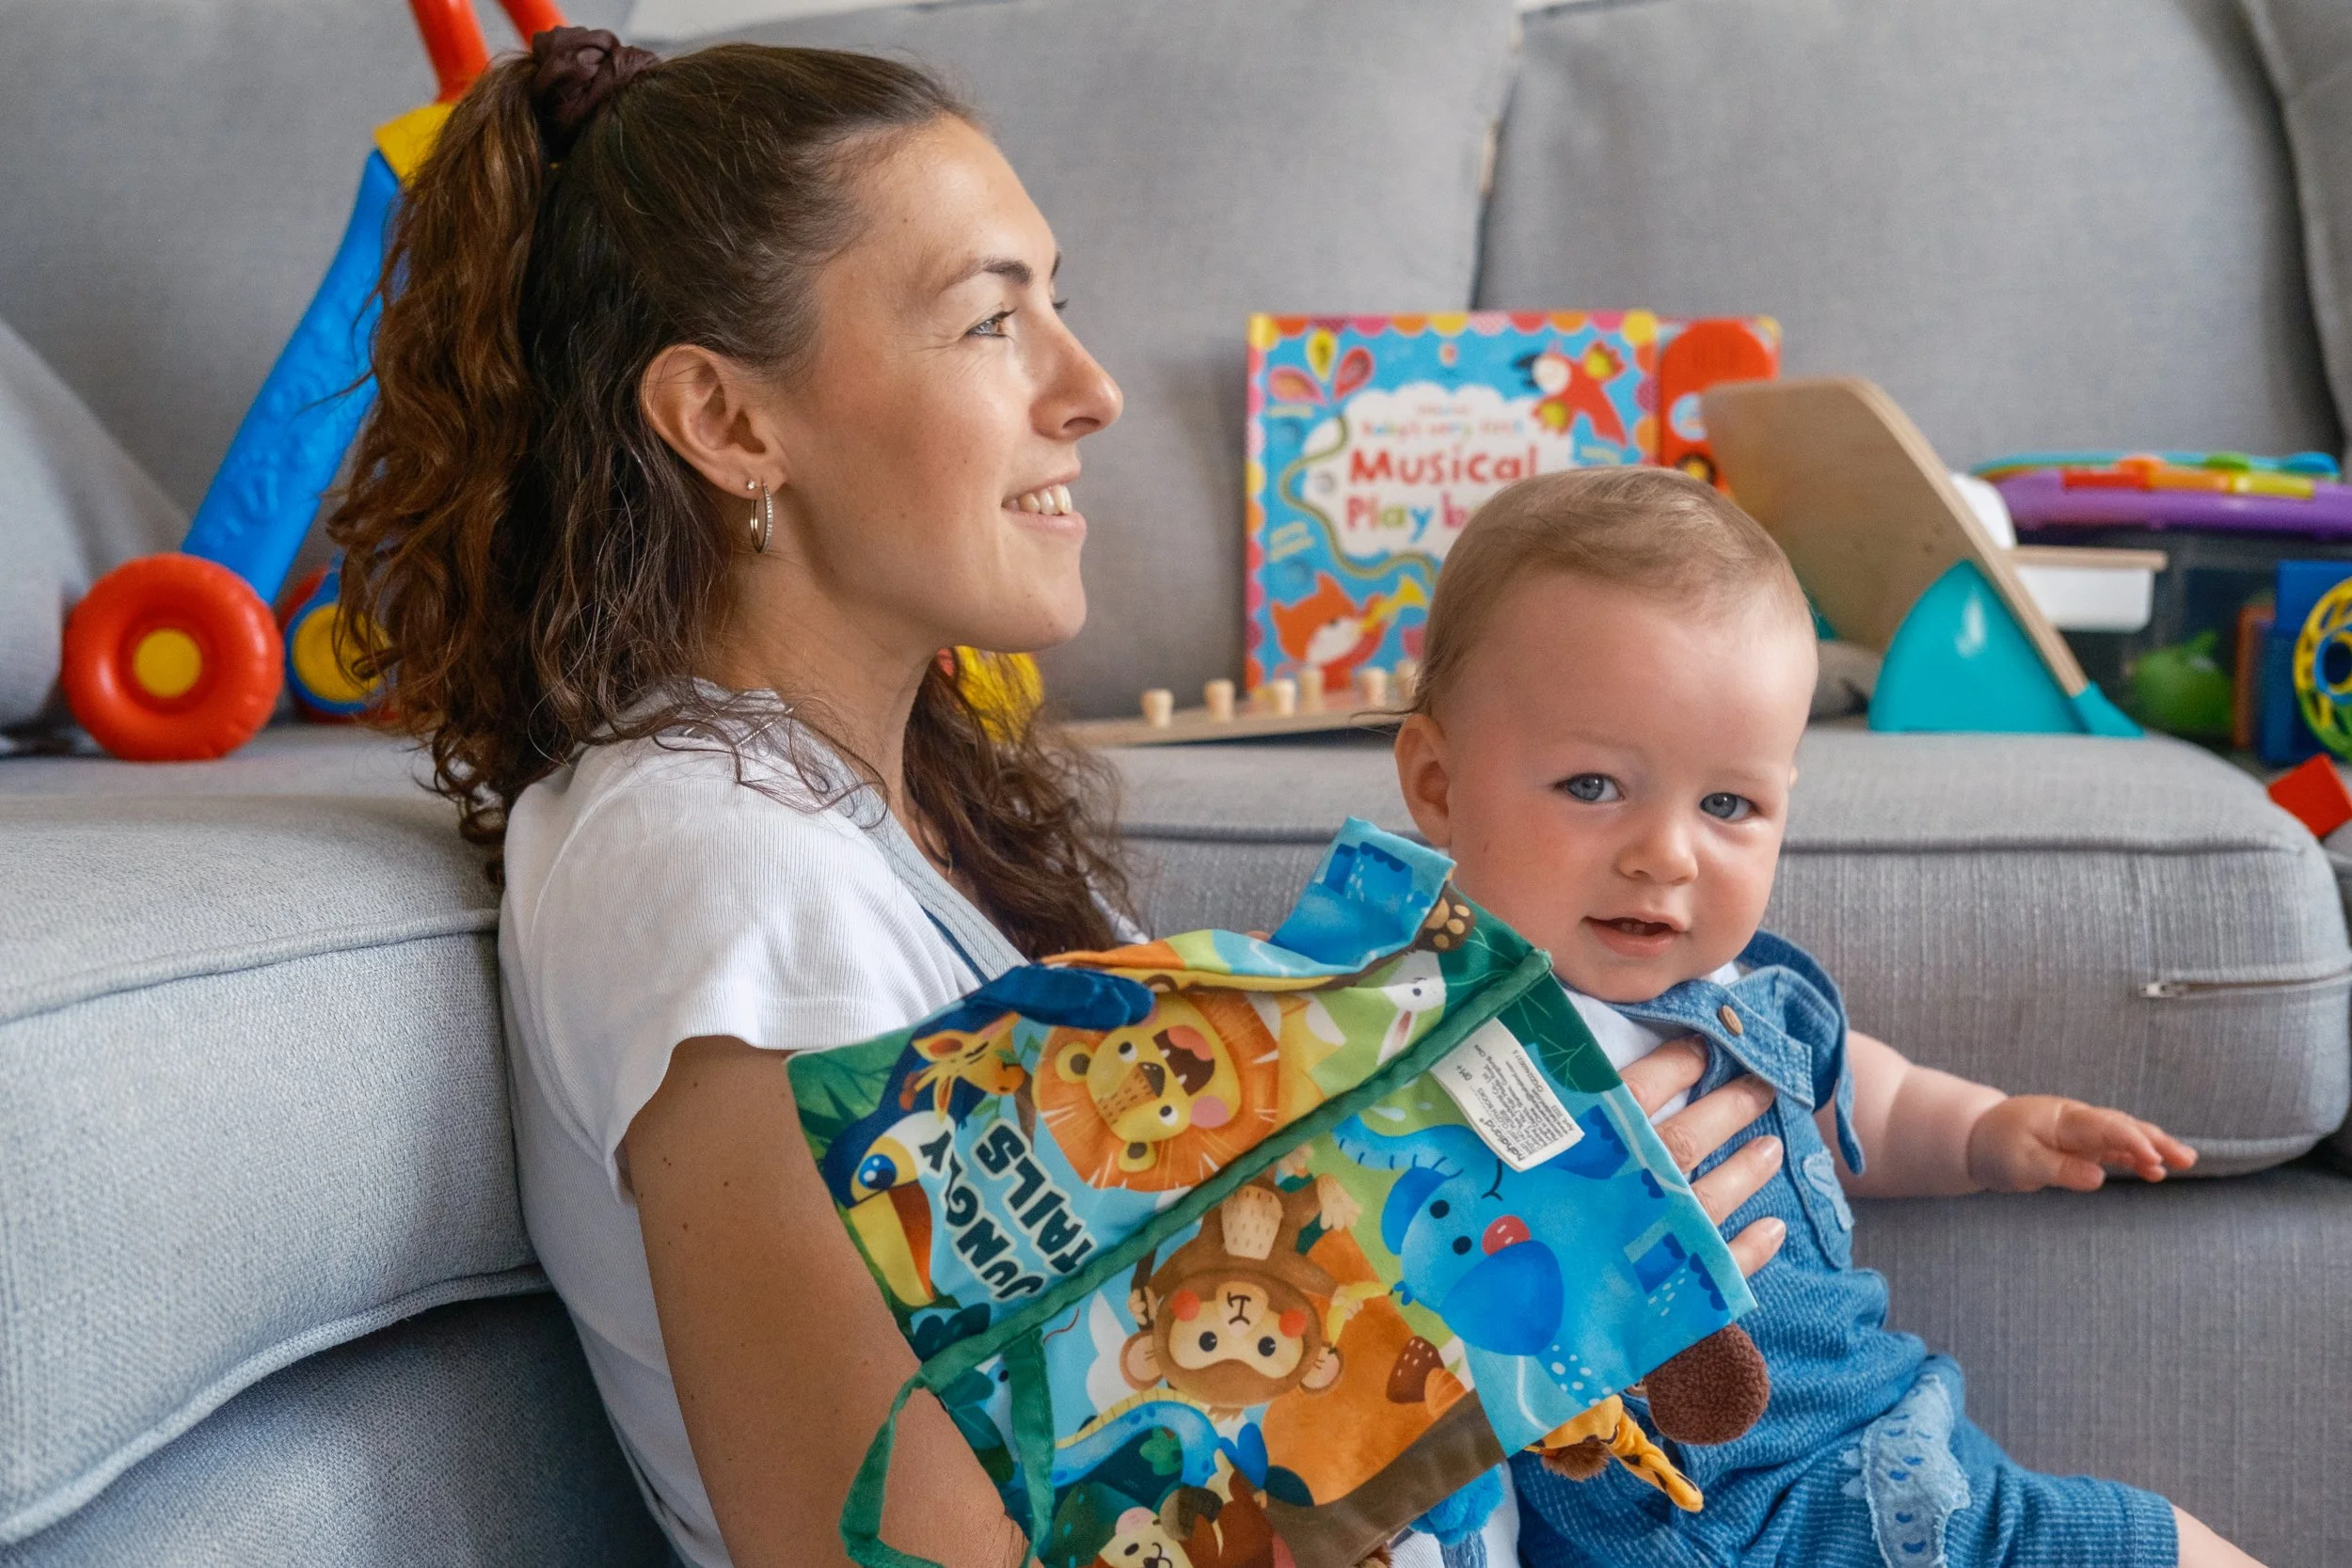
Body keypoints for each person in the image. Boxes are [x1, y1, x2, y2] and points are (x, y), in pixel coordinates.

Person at [328, 27, 1799, 1568]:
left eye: (1060, 306)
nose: (1089, 389)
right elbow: (889, 1548)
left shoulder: (898, 824)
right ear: (729, 421)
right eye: (988, 322)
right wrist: (1444, 1286)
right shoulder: (724, 877)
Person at [1389, 465, 2263, 1568]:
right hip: (1711, 1514)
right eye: (1592, 786)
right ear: (1436, 780)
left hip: (1879, 1451)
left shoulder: (1748, 996)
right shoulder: (1418, 1035)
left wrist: (1992, 1130)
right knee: (2140, 1544)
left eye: (1726, 804)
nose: (1665, 852)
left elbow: (1868, 1099)